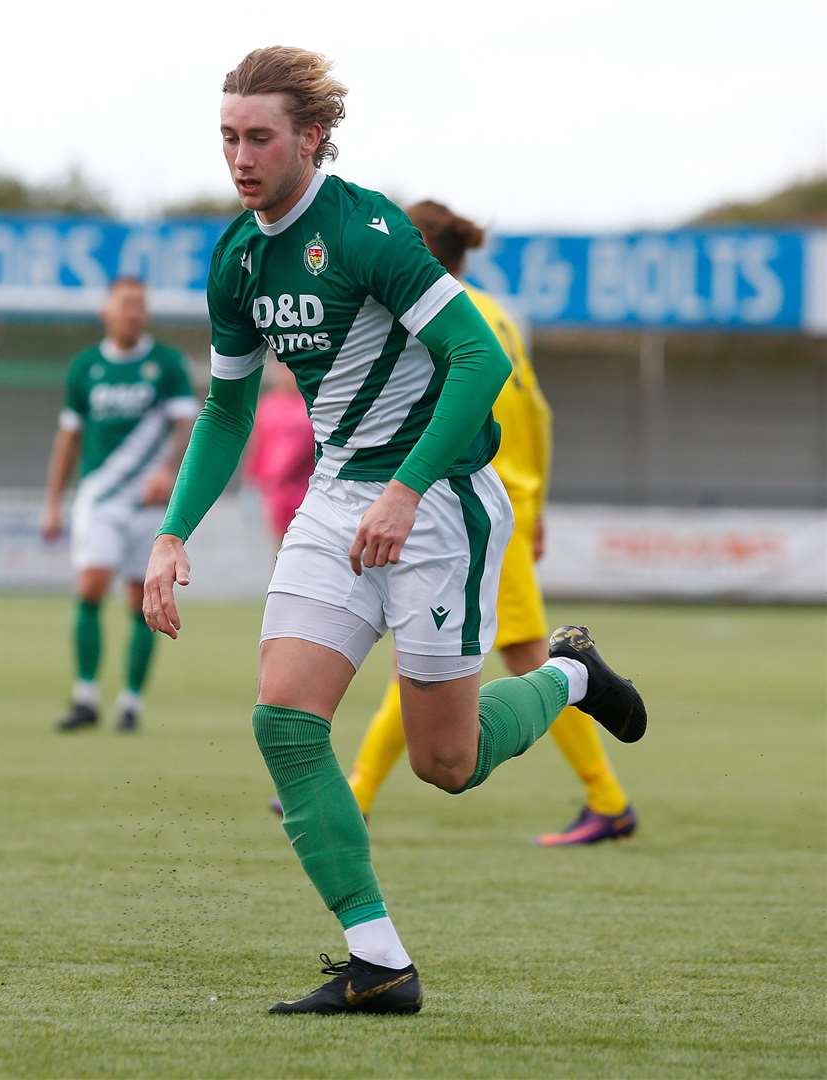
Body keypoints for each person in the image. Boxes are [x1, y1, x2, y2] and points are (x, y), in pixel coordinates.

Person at [142, 46, 647, 1016]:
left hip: (441, 504)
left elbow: (474, 358)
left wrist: (407, 488)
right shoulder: (235, 256)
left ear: (310, 139)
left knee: (443, 765)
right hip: (339, 500)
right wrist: (171, 534)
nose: (239, 158)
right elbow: (224, 410)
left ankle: (569, 674)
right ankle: (378, 963)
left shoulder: (366, 229)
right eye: (226, 138)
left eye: (258, 138)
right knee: (283, 721)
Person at [345, 200, 639, 845]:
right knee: (434, 651)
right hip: (507, 501)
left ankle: (608, 798)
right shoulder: (497, 313)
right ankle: (357, 793)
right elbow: (539, 414)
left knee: (494, 657)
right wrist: (537, 507)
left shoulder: (437, 315)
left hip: (468, 506)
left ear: (416, 247)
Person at [42, 277, 197, 733]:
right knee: (91, 587)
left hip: (150, 504)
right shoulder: (85, 367)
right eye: (125, 304)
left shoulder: (166, 364)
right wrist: (52, 501)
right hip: (101, 498)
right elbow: (69, 438)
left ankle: (130, 702)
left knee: (140, 600)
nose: (134, 312)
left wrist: (168, 469)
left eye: (140, 305)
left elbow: (188, 425)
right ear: (105, 311)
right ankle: (86, 696)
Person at [244, 363, 316, 547]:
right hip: (275, 487)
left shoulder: (311, 406)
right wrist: (251, 482)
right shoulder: (267, 405)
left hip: (305, 485)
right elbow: (258, 444)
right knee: (281, 542)